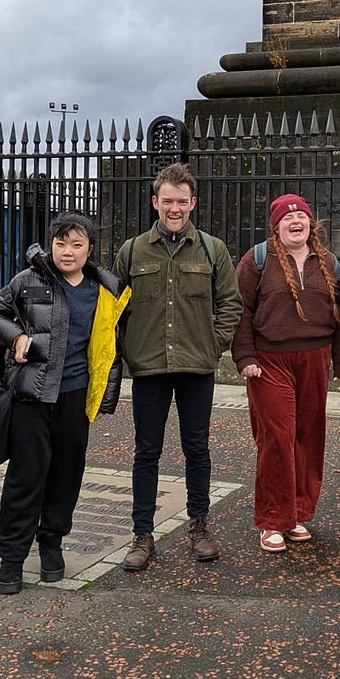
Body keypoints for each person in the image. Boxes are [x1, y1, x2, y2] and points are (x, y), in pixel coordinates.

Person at [0, 212, 130, 594]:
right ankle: (12, 557)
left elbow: (111, 340)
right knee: (26, 475)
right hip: (33, 394)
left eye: (77, 244)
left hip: (76, 396)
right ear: (51, 244)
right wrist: (16, 339)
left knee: (66, 474)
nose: (67, 252)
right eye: (61, 243)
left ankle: (52, 545)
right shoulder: (28, 281)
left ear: (90, 249)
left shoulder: (105, 289)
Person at [114, 163, 242, 568]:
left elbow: (230, 304)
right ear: (155, 202)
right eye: (167, 201)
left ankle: (199, 525)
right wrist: (126, 352)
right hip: (148, 367)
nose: (174, 208)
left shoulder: (211, 249)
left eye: (181, 201)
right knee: (146, 452)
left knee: (197, 449)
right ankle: (142, 533)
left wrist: (213, 344)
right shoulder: (131, 251)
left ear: (192, 203)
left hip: (196, 367)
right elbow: (114, 310)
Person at [232, 193, 340, 552]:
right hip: (269, 361)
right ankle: (272, 519)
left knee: (308, 436)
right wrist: (245, 356)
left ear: (310, 224)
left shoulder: (327, 261)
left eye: (300, 216)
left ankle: (295, 513)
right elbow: (241, 310)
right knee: (277, 437)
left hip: (315, 357)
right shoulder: (257, 260)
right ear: (276, 226)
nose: (294, 221)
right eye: (287, 218)